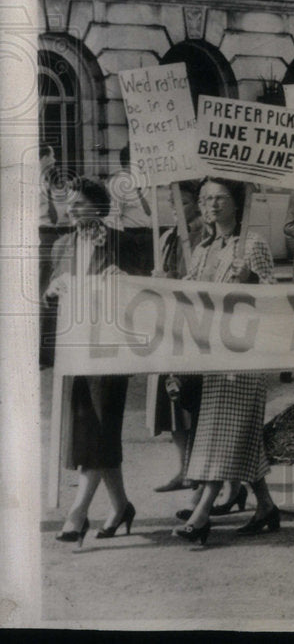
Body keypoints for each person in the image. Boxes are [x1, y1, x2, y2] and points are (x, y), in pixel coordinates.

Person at [173, 178, 281, 544]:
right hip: (209, 353)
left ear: (236, 203)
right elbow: (188, 291)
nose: (212, 206)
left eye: (220, 198)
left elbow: (276, 296)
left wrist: (248, 281)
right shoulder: (202, 249)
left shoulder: (252, 244)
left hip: (243, 353)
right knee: (239, 433)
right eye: (206, 200)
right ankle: (265, 506)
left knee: (222, 431)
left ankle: (202, 513)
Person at [47, 177, 141, 545]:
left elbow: (144, 290)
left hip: (111, 350)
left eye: (79, 204)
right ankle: (120, 506)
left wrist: (127, 280)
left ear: (99, 207)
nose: (71, 209)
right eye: (68, 203)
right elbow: (51, 289)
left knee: (101, 427)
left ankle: (78, 513)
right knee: (90, 429)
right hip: (75, 349)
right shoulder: (61, 245)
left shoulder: (122, 242)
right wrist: (52, 290)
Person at [150, 180, 205, 492]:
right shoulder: (167, 237)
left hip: (193, 325)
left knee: (193, 398)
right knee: (170, 399)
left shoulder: (201, 235)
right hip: (168, 323)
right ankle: (183, 467)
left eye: (182, 203)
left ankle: (200, 469)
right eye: (172, 203)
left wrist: (171, 279)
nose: (176, 209)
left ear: (195, 204)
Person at [105, 146, 155, 275]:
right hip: (131, 238)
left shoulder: (141, 183)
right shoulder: (120, 184)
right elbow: (114, 217)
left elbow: (149, 212)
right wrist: (125, 241)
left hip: (147, 237)